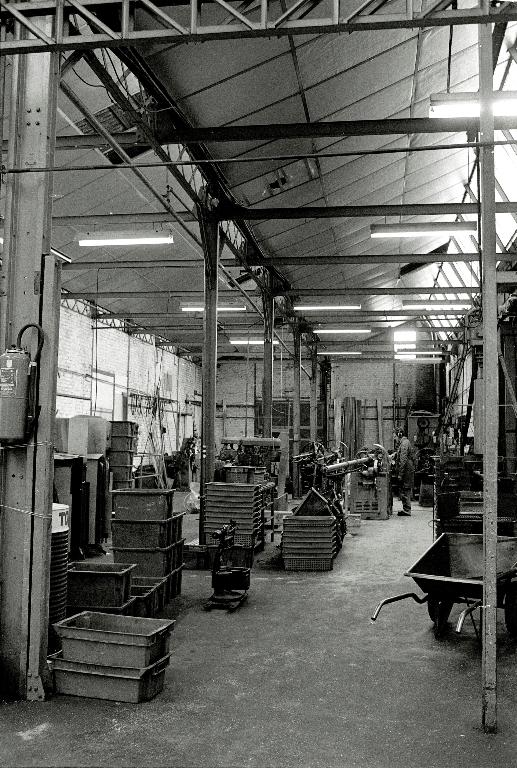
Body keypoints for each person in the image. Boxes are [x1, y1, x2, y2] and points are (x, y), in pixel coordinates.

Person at [395, 428, 417, 516]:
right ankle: (406, 509)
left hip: (406, 469)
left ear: (399, 434)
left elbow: (403, 459)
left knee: (405, 488)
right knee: (405, 488)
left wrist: (400, 473)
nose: (394, 438)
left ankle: (407, 510)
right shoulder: (405, 442)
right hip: (407, 468)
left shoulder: (404, 443)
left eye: (395, 436)